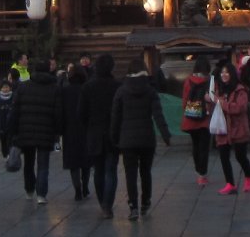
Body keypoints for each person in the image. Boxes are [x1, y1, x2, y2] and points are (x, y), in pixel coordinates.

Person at [110, 58, 171, 221]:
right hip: (146, 138)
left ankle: (133, 206)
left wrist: (114, 137)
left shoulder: (121, 91)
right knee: (145, 172)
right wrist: (165, 134)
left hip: (127, 139)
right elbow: (158, 115)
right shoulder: (150, 91)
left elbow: (115, 117)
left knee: (130, 173)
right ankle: (146, 201)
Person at [8, 57, 60, 204]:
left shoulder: (23, 87)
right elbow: (58, 113)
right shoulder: (54, 88)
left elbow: (15, 111)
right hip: (46, 131)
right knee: (43, 164)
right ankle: (41, 194)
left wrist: (13, 131)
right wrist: (57, 132)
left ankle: (29, 189)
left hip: (26, 130)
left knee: (29, 162)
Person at [79, 53, 121, 218]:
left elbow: (81, 113)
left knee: (98, 170)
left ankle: (103, 201)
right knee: (111, 170)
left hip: (94, 132)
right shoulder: (117, 86)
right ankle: (107, 204)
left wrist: (88, 127)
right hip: (112, 132)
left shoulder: (88, 87)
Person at [213, 61, 250, 194]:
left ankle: (248, 178)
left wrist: (222, 103)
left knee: (240, 156)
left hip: (238, 128)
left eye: (227, 72)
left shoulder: (240, 90)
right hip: (223, 127)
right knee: (223, 156)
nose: (224, 75)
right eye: (222, 72)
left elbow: (239, 108)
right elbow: (215, 107)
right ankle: (230, 184)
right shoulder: (219, 90)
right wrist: (210, 100)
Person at [59, 63, 92, 200]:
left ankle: (77, 189)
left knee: (73, 162)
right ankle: (85, 186)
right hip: (85, 129)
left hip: (70, 129)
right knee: (86, 161)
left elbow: (60, 112)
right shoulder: (87, 90)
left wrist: (60, 129)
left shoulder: (65, 91)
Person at [181, 56, 213, 186]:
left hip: (191, 118)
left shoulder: (188, 81)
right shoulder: (210, 81)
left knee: (195, 146)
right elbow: (213, 99)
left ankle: (198, 170)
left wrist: (190, 110)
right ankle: (202, 174)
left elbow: (184, 102)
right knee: (204, 147)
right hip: (205, 118)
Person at [0, 79, 15, 156]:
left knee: (10, 140)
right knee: (3, 140)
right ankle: (5, 154)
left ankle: (10, 155)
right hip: (1, 123)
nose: (5, 89)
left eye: (7, 87)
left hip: (11, 123)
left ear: (10, 88)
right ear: (1, 88)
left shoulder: (14, 97)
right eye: (3, 87)